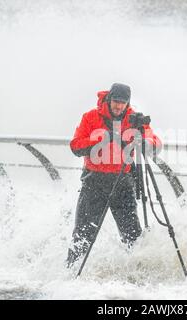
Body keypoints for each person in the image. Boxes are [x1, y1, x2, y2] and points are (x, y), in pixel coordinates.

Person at [66, 83, 162, 268]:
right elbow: (76, 146)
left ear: (128, 103)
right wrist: (102, 139)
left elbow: (154, 142)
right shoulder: (90, 117)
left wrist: (146, 141)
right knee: (82, 235)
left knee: (132, 236)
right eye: (116, 102)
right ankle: (70, 273)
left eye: (123, 103)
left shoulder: (134, 120)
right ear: (109, 99)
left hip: (123, 183)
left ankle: (136, 274)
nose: (119, 106)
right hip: (94, 182)